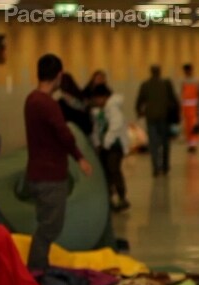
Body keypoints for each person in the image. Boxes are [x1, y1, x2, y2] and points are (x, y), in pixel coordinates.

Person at [24, 54, 93, 271]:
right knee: (49, 228)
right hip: (51, 175)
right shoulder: (48, 104)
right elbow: (64, 135)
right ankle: (36, 270)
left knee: (45, 224)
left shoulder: (30, 100)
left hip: (35, 173)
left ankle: (38, 266)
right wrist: (80, 157)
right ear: (59, 76)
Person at [89, 84, 130, 212]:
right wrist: (97, 143)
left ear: (104, 97)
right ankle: (109, 198)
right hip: (104, 147)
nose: (96, 101)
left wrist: (106, 142)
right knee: (106, 172)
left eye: (98, 98)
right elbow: (96, 129)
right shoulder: (99, 110)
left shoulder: (113, 108)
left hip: (114, 146)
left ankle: (122, 197)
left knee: (114, 170)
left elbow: (115, 127)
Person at [136, 65, 178, 176]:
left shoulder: (145, 85)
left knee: (153, 143)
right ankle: (165, 166)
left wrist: (139, 112)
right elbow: (173, 99)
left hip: (151, 117)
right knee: (165, 143)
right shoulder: (166, 84)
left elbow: (139, 100)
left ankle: (155, 167)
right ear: (159, 72)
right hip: (164, 117)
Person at [180, 64, 199, 153]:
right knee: (187, 126)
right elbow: (182, 94)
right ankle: (189, 144)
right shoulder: (183, 81)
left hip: (194, 106)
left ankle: (194, 144)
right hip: (186, 107)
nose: (187, 72)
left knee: (194, 125)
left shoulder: (196, 81)